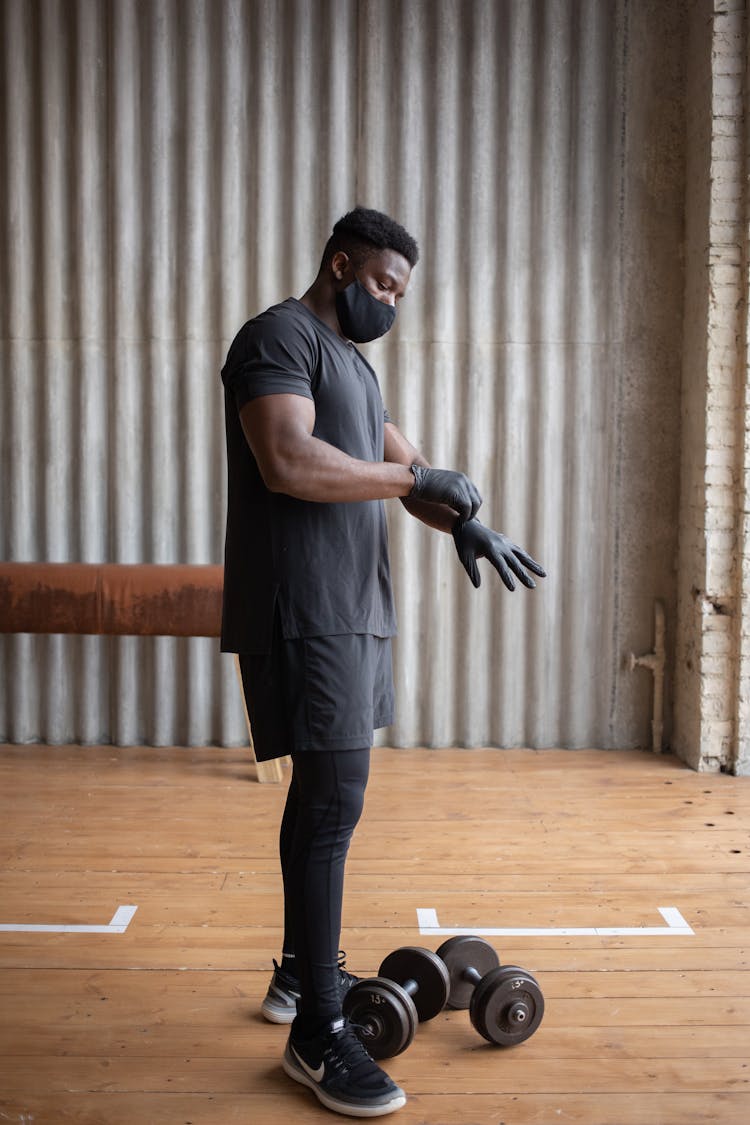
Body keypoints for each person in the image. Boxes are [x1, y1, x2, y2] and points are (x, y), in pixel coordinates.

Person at [219, 206, 545, 1118]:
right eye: (383, 286)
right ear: (340, 264)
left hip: (354, 612)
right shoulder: (277, 338)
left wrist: (463, 517)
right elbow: (287, 458)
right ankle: (316, 1033)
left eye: (401, 294)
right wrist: (414, 483)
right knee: (332, 805)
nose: (391, 304)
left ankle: (300, 974)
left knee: (325, 802)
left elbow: (411, 467)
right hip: (306, 609)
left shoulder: (358, 368)